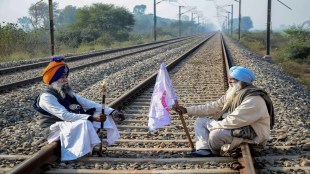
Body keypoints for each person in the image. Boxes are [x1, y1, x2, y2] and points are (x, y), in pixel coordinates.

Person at [33, 56, 125, 161]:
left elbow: (88, 103)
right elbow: (64, 115)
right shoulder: (47, 97)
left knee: (102, 113)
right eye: (61, 77)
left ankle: (88, 147)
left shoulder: (67, 92)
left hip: (68, 124)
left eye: (65, 77)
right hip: (54, 129)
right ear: (53, 79)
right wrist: (91, 117)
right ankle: (79, 152)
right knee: (84, 122)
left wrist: (112, 111)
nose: (65, 80)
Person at [174, 66, 274, 157]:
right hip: (238, 127)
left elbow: (234, 120)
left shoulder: (253, 99)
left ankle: (228, 148)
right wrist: (187, 110)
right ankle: (204, 149)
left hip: (252, 134)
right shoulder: (234, 92)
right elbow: (214, 106)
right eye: (229, 79)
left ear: (242, 82)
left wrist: (214, 126)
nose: (229, 82)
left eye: (232, 80)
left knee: (216, 135)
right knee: (200, 121)